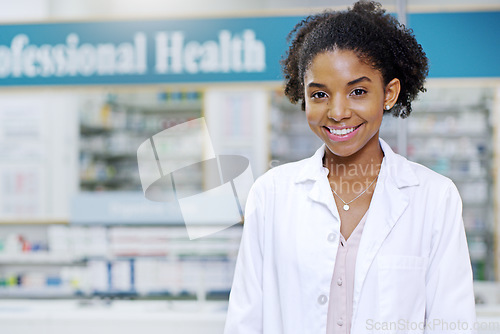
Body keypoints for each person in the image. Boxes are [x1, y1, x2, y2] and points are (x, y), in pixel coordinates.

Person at [224, 1, 476, 333]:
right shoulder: (271, 194)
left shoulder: (434, 198)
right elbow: (245, 320)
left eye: (357, 91)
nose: (338, 112)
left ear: (389, 93)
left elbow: (452, 324)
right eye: (319, 95)